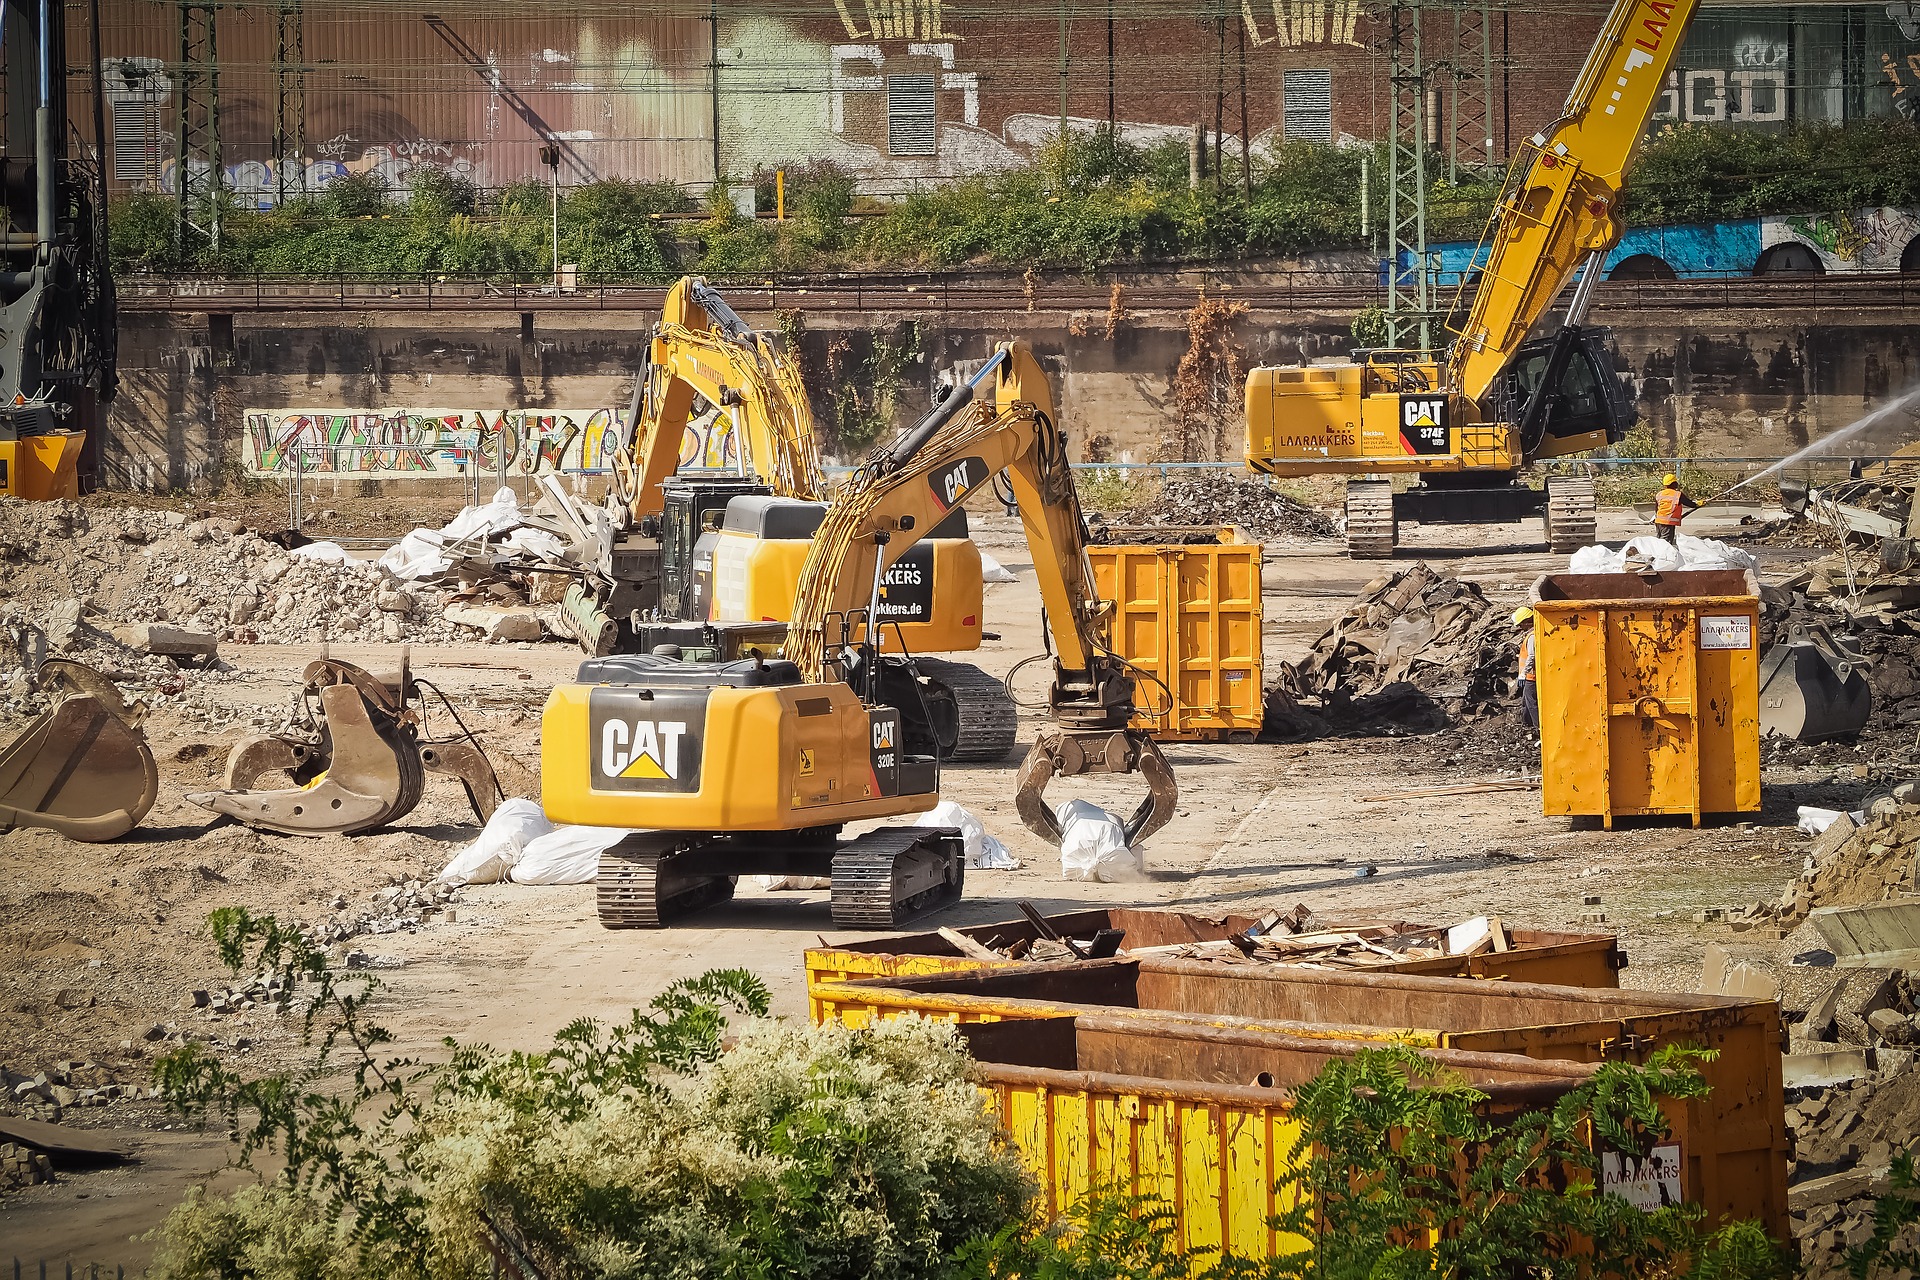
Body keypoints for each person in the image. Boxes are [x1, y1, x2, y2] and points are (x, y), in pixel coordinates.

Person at [1653, 473, 1699, 544]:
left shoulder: (1659, 494)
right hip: (1667, 523)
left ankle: (1657, 553)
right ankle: (1663, 555)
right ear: (1673, 483)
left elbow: (1656, 508)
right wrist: (1697, 504)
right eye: (1675, 482)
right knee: (1665, 543)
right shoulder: (1677, 494)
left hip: (1659, 522)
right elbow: (1689, 504)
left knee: (1659, 541)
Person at [1514, 606, 1538, 739]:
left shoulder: (1532, 636)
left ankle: (1538, 729)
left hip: (1531, 676)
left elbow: (1531, 656)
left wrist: (1524, 673)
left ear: (1527, 621)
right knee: (1526, 702)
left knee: (1531, 703)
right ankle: (1527, 725)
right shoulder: (1531, 634)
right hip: (1529, 675)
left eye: (1521, 624)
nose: (1520, 627)